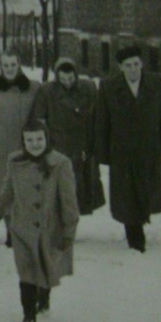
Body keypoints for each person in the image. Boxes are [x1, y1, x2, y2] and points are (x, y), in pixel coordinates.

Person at [0, 119, 80, 322]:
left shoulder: (60, 163)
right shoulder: (15, 162)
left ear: (46, 139)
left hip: (50, 227)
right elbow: (8, 188)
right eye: (29, 140)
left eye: (39, 139)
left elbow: (69, 201)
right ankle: (29, 316)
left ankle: (44, 297)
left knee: (44, 267)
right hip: (22, 226)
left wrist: (69, 230)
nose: (35, 144)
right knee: (27, 272)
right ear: (23, 141)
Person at [95, 45, 161, 253]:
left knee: (149, 190)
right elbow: (102, 122)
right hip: (122, 151)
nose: (133, 69)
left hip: (151, 149)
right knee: (126, 196)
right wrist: (104, 154)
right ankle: (134, 235)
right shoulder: (108, 87)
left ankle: (139, 225)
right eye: (127, 65)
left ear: (141, 64)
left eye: (136, 64)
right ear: (120, 67)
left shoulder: (159, 84)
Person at [32, 57, 105, 215]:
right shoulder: (46, 91)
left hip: (82, 147)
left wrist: (95, 143)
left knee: (79, 191)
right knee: (58, 190)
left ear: (76, 75)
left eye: (70, 78)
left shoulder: (88, 88)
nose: (67, 82)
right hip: (58, 146)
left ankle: (71, 224)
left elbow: (98, 117)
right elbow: (39, 120)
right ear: (57, 76)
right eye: (63, 79)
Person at [0, 50, 40, 214]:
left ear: (19, 65)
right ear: (1, 66)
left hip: (25, 146)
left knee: (24, 188)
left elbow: (38, 115)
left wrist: (34, 139)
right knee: (1, 189)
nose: (10, 68)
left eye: (13, 64)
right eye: (6, 65)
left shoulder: (33, 87)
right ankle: (8, 231)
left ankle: (20, 231)